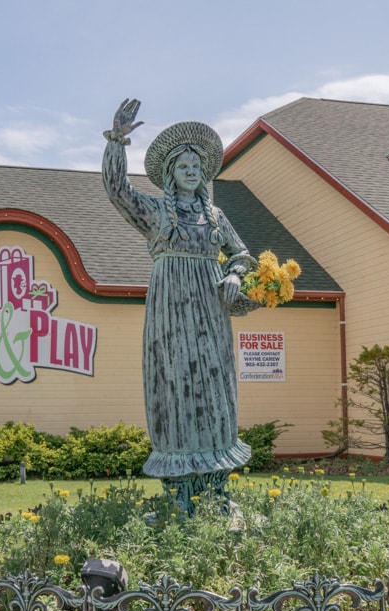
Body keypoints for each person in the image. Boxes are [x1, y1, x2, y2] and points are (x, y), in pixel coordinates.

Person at [102, 98, 252, 508]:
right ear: (170, 175)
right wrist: (117, 141)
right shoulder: (154, 214)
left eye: (196, 168)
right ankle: (180, 492)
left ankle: (216, 487)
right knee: (174, 385)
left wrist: (235, 274)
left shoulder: (217, 218)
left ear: (203, 175)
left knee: (214, 386)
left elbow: (241, 255)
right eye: (183, 167)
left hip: (210, 308)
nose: (190, 172)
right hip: (170, 310)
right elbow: (117, 191)